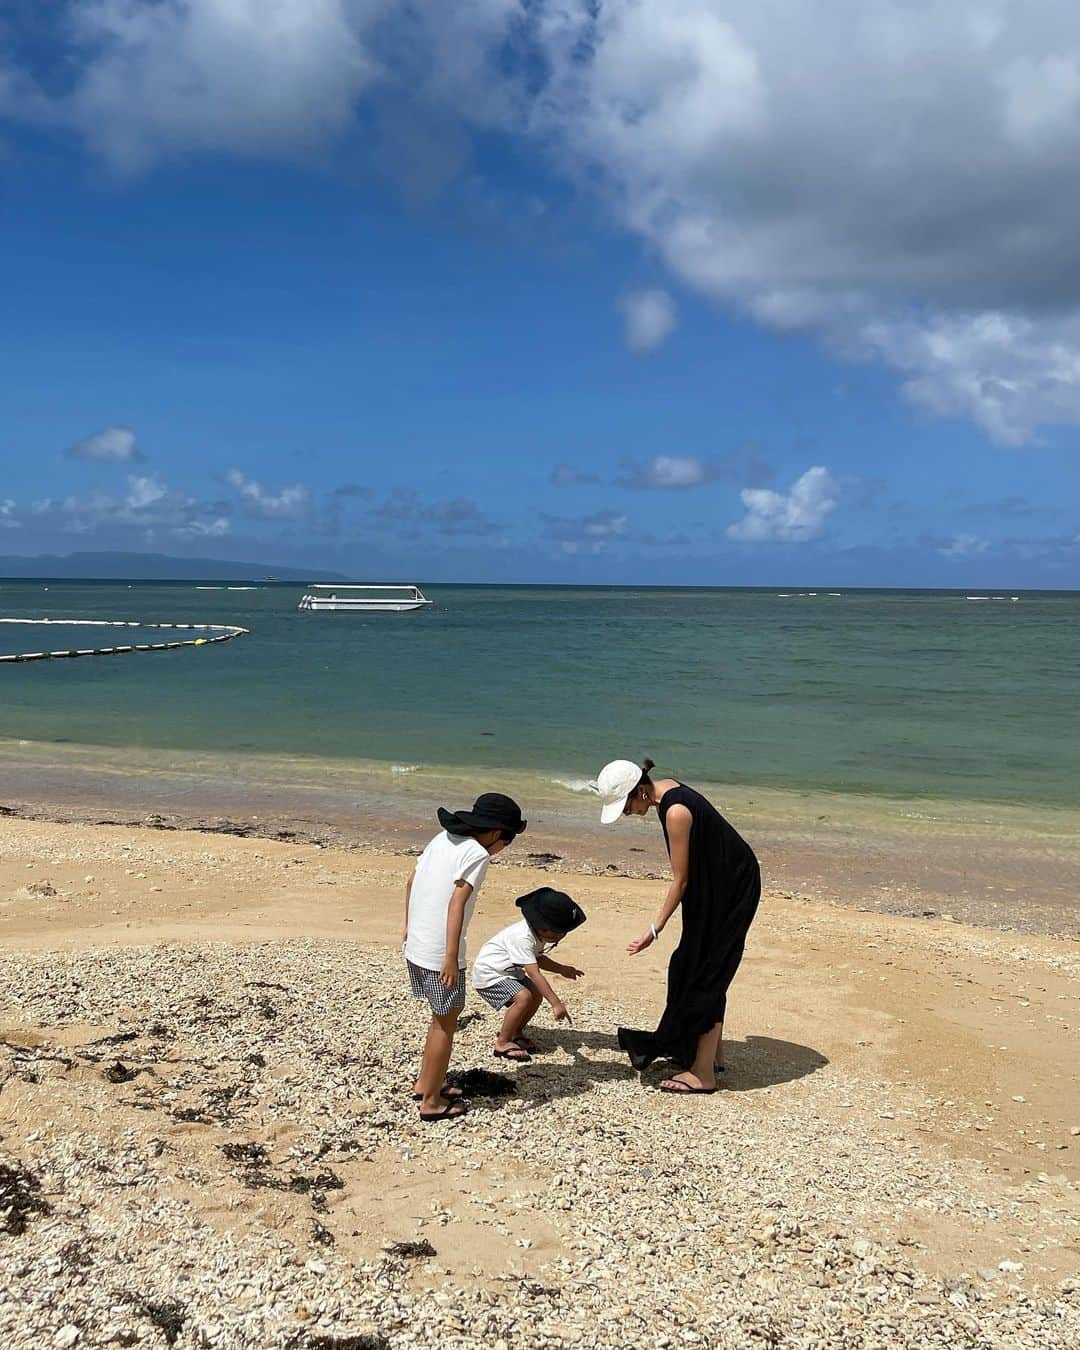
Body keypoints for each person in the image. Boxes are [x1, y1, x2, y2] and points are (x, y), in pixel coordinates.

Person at [592, 758, 760, 1096]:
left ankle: (703, 1074)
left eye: (624, 806)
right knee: (690, 964)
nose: (625, 814)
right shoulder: (664, 790)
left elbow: (680, 880)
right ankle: (710, 1053)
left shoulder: (674, 812)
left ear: (639, 791)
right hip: (714, 884)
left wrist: (654, 930)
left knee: (706, 971)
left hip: (729, 888)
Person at [404, 792, 527, 1122]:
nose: (505, 847)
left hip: (417, 944)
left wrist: (407, 930)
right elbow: (456, 904)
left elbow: (411, 882)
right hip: (439, 952)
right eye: (508, 839)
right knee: (445, 1024)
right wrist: (450, 957)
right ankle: (431, 1102)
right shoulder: (477, 853)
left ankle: (426, 1083)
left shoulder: (443, 839)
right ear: (494, 833)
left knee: (438, 1018)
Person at [472, 887, 586, 1061]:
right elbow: (534, 972)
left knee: (536, 994)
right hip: (489, 975)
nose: (558, 937)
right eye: (555, 933)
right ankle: (502, 1042)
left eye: (562, 933)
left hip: (508, 973)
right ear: (540, 926)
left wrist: (562, 969)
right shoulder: (522, 938)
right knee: (524, 997)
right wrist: (556, 1003)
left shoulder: (538, 935)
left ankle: (516, 1031)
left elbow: (538, 959)